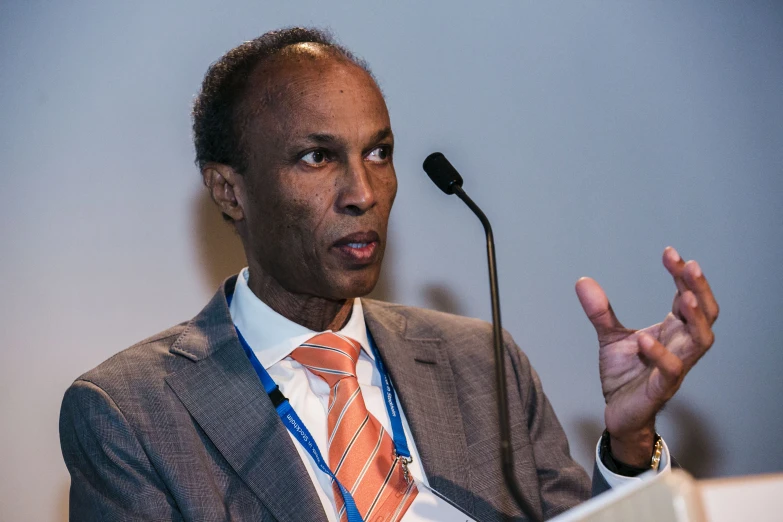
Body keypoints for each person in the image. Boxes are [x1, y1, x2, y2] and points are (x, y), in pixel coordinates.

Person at [59, 27, 718, 522]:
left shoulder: (478, 361)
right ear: (229, 192)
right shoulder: (130, 412)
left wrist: (629, 440)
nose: (363, 191)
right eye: (316, 157)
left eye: (378, 152)